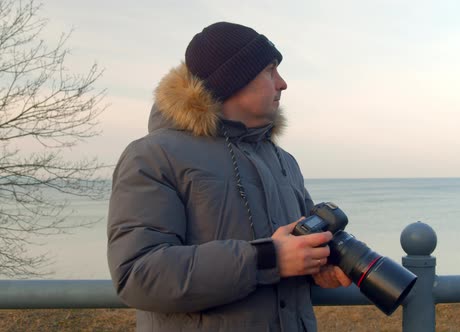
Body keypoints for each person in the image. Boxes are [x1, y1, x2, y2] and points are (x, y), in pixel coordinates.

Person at [107, 22, 351, 332]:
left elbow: (299, 244)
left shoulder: (283, 160)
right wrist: (267, 259)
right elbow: (138, 274)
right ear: (233, 80)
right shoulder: (153, 156)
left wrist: (322, 264)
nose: (283, 83)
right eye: (270, 71)